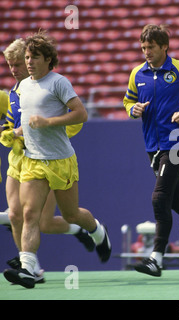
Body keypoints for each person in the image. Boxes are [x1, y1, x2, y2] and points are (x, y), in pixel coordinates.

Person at [2, 31, 111, 289]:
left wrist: (48, 122)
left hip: (61, 161)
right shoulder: (21, 86)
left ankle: (97, 230)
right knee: (29, 214)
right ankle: (29, 268)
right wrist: (15, 132)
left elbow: (81, 114)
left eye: (34, 57)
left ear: (48, 59)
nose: (28, 62)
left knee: (72, 215)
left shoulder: (59, 82)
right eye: (26, 57)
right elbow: (21, 121)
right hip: (32, 161)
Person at [123, 24, 179, 278]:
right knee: (176, 200)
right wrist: (133, 109)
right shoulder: (137, 74)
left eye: (151, 47)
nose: (146, 52)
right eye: (143, 48)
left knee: (159, 198)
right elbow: (128, 100)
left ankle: (156, 257)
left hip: (177, 142)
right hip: (152, 145)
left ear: (164, 46)